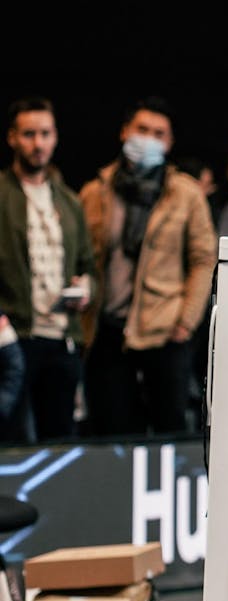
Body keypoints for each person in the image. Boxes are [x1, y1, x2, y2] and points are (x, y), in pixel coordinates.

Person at [78, 96, 217, 438]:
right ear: (125, 131)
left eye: (158, 133)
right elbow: (84, 257)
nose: (148, 139)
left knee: (171, 429)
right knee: (113, 431)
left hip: (165, 329)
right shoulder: (96, 191)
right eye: (141, 129)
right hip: (107, 329)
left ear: (168, 143)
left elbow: (203, 258)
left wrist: (186, 321)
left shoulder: (184, 193)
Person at [0, 96, 96, 443]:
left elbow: (88, 266)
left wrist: (85, 290)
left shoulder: (68, 201)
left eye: (45, 133)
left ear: (55, 137)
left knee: (60, 438)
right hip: (14, 337)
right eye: (28, 134)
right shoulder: (3, 193)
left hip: (61, 336)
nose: (38, 143)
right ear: (12, 137)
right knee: (12, 437)